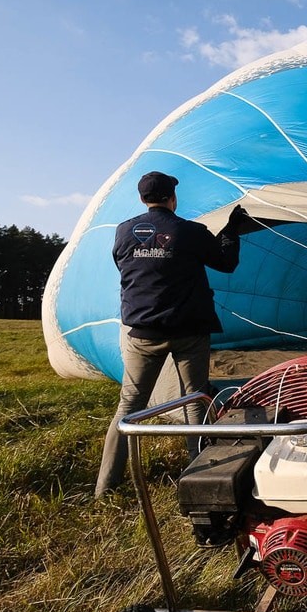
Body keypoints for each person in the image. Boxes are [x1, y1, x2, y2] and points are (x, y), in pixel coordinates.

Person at [95, 171, 251, 497]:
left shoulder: (123, 232)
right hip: (188, 331)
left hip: (142, 333)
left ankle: (105, 487)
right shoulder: (190, 232)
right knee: (195, 399)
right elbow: (225, 263)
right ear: (172, 198)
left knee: (128, 407)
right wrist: (232, 230)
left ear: (142, 199)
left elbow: (126, 267)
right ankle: (201, 474)